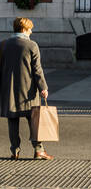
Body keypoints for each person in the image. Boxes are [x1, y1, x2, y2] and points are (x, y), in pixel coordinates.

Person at [0, 17, 52, 160]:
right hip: (28, 91)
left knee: (12, 120)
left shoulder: (3, 45)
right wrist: (43, 87)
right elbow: (37, 70)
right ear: (24, 29)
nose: (31, 31)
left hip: (9, 90)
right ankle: (38, 150)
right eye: (30, 28)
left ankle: (15, 151)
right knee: (34, 120)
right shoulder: (31, 45)